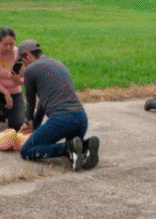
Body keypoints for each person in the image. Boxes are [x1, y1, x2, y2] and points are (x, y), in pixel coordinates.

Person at [16, 40, 99, 171]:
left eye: (22, 60)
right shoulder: (58, 64)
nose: (23, 64)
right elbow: (44, 103)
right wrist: (36, 128)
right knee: (74, 152)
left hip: (62, 121)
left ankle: (66, 148)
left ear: (27, 55)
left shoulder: (30, 70)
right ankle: (84, 146)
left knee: (26, 151)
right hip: (82, 120)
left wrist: (28, 122)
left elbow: (30, 103)